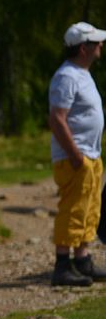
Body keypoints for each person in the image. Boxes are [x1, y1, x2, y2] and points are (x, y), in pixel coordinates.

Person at [48, 21, 106, 286]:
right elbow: (57, 119)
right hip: (76, 157)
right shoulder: (66, 76)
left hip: (90, 156)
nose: (101, 46)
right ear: (84, 48)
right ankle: (62, 265)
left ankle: (82, 260)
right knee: (72, 209)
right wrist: (75, 156)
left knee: (89, 209)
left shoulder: (82, 73)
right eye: (96, 43)